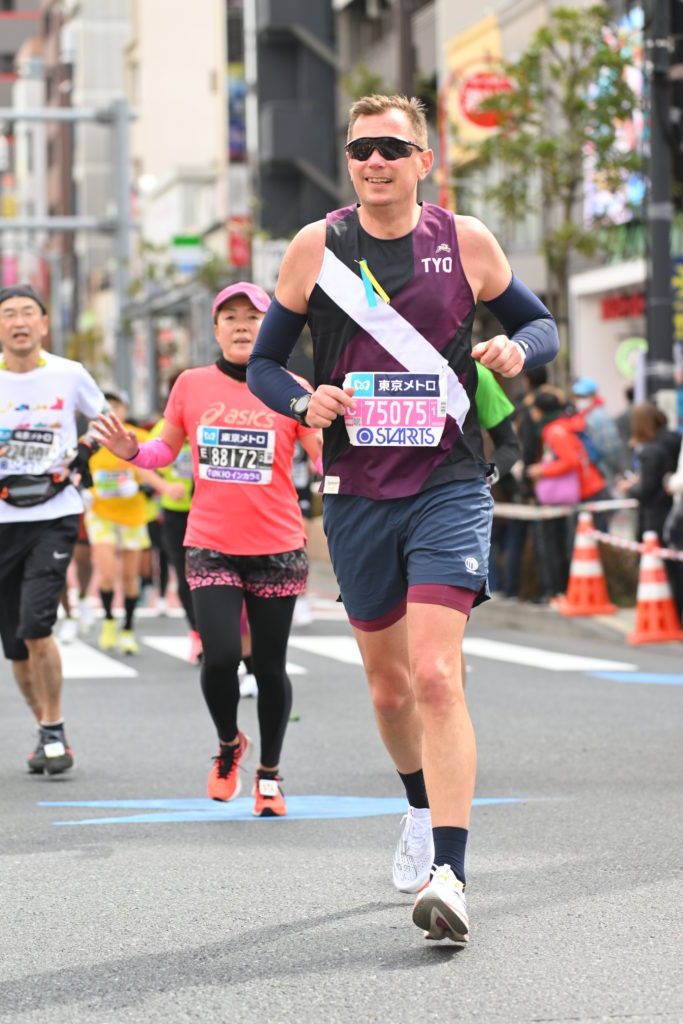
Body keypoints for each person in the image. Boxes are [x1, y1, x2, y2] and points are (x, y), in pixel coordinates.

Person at [246, 94, 559, 944]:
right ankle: (418, 808)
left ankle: (450, 873)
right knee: (388, 690)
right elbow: (264, 366)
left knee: (434, 677)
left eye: (393, 147)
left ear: (424, 158)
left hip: (449, 480)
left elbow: (540, 325)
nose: (376, 161)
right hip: (355, 490)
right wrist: (306, 400)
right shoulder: (318, 246)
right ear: (349, 162)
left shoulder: (465, 241)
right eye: (361, 149)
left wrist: (513, 348)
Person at [92, 281, 322, 817]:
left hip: (278, 545)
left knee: (269, 666)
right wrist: (131, 449)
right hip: (210, 542)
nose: (242, 325)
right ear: (215, 329)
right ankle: (228, 745)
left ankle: (269, 774)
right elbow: (160, 450)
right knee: (218, 656)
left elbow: (326, 455)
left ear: (272, 326)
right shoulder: (191, 384)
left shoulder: (293, 387)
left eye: (254, 317)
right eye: (231, 317)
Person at [0, 283, 106, 775]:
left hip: (53, 514)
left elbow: (105, 422)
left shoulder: (70, 374)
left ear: (43, 323)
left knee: (37, 624)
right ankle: (44, 727)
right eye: (9, 315)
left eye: (27, 313)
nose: (19, 322)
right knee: (16, 645)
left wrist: (83, 453)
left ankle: (55, 727)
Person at [86, 390, 178, 655]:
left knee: (129, 578)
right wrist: (86, 492)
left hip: (133, 515)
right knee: (105, 574)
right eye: (106, 406)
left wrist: (163, 487)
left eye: (117, 406)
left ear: (125, 410)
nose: (112, 411)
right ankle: (108, 621)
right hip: (101, 514)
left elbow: (147, 468)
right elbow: (78, 470)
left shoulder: (140, 437)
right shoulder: (90, 440)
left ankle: (127, 628)